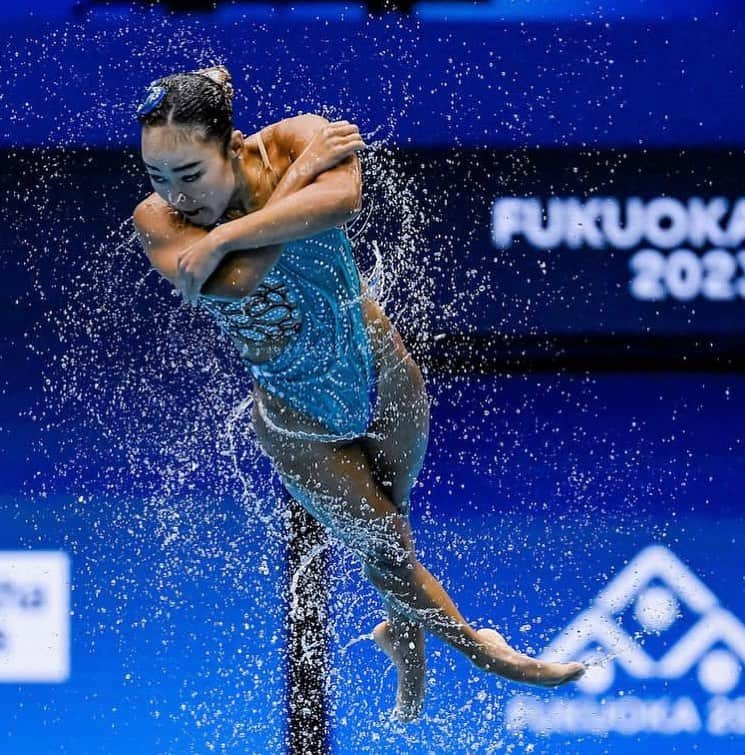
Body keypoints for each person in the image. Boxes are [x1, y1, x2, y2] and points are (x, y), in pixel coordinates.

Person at [132, 64, 585, 722]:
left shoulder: (299, 138)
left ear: (230, 145)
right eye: (158, 177)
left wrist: (232, 228)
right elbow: (229, 283)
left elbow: (341, 203)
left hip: (384, 366)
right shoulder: (157, 219)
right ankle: (485, 650)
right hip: (296, 420)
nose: (176, 195)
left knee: (390, 529)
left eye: (189, 174)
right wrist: (261, 212)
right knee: (389, 545)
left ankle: (400, 627)